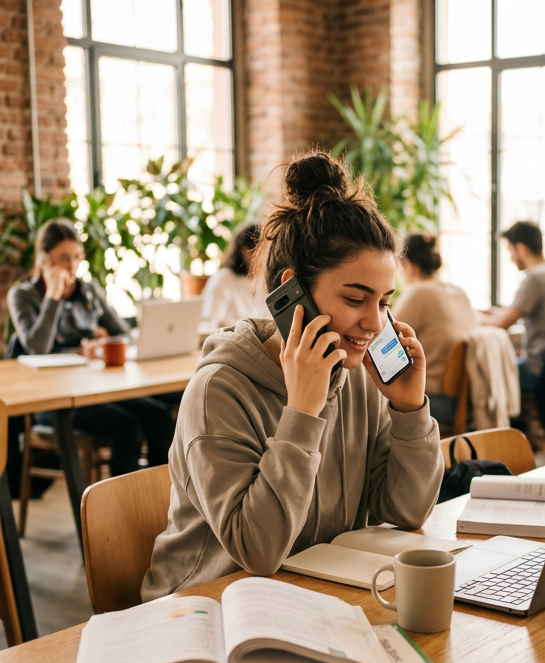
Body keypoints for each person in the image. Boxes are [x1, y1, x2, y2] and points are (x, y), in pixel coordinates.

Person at [141, 151, 444, 600]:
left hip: (308, 595)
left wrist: (408, 409)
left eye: (383, 302)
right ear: (292, 290)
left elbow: (407, 511)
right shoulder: (218, 391)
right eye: (356, 299)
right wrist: (302, 410)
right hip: (205, 607)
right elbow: (258, 551)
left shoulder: (357, 377)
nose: (375, 323)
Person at [8, 219, 175, 476]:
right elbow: (37, 347)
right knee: (128, 428)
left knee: (160, 418)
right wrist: (53, 296)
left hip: (97, 390)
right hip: (54, 400)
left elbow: (125, 334)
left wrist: (103, 344)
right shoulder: (23, 295)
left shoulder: (88, 292)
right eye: (64, 258)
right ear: (44, 259)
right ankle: (124, 502)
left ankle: (162, 498)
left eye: (77, 257)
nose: (72, 266)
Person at [480, 221, 545, 392]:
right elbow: (523, 312)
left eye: (510, 250)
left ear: (521, 248)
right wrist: (495, 313)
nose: (510, 258)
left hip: (540, 371)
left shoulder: (536, 278)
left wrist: (469, 316)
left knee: (481, 373)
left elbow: (501, 324)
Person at [391, 233, 478, 428]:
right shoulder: (459, 292)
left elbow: (383, 336)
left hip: (436, 402)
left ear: (409, 266)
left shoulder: (419, 292)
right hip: (466, 401)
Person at [201, 223, 268, 329]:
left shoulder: (262, 282)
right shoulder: (223, 279)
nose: (266, 259)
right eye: (263, 252)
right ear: (246, 252)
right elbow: (208, 322)